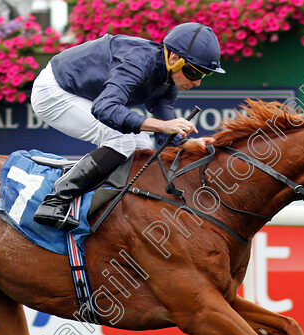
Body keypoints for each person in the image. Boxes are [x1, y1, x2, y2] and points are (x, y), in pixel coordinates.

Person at [30, 22, 225, 231]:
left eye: (203, 75)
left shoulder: (168, 77)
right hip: (54, 91)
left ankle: (122, 208)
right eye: (193, 73)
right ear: (174, 59)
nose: (197, 83)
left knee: (143, 145)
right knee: (121, 140)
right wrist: (161, 126)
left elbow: (164, 128)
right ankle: (55, 201)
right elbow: (105, 107)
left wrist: (187, 143)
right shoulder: (137, 61)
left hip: (83, 94)